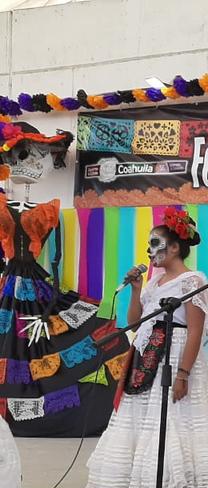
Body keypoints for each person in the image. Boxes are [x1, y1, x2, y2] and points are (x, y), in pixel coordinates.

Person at [86, 209, 208, 488]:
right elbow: (134, 322)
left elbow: (195, 330)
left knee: (171, 423)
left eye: (156, 243)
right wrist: (136, 290)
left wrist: (182, 374)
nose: (149, 250)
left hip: (174, 354)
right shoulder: (155, 282)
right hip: (148, 357)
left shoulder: (192, 281)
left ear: (175, 247)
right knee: (146, 424)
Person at [0, 121, 126, 438]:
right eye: (26, 153)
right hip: (9, 282)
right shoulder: (2, 206)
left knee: (78, 334)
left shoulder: (48, 210)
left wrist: (49, 310)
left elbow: (54, 261)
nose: (31, 160)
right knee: (10, 345)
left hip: (37, 283)